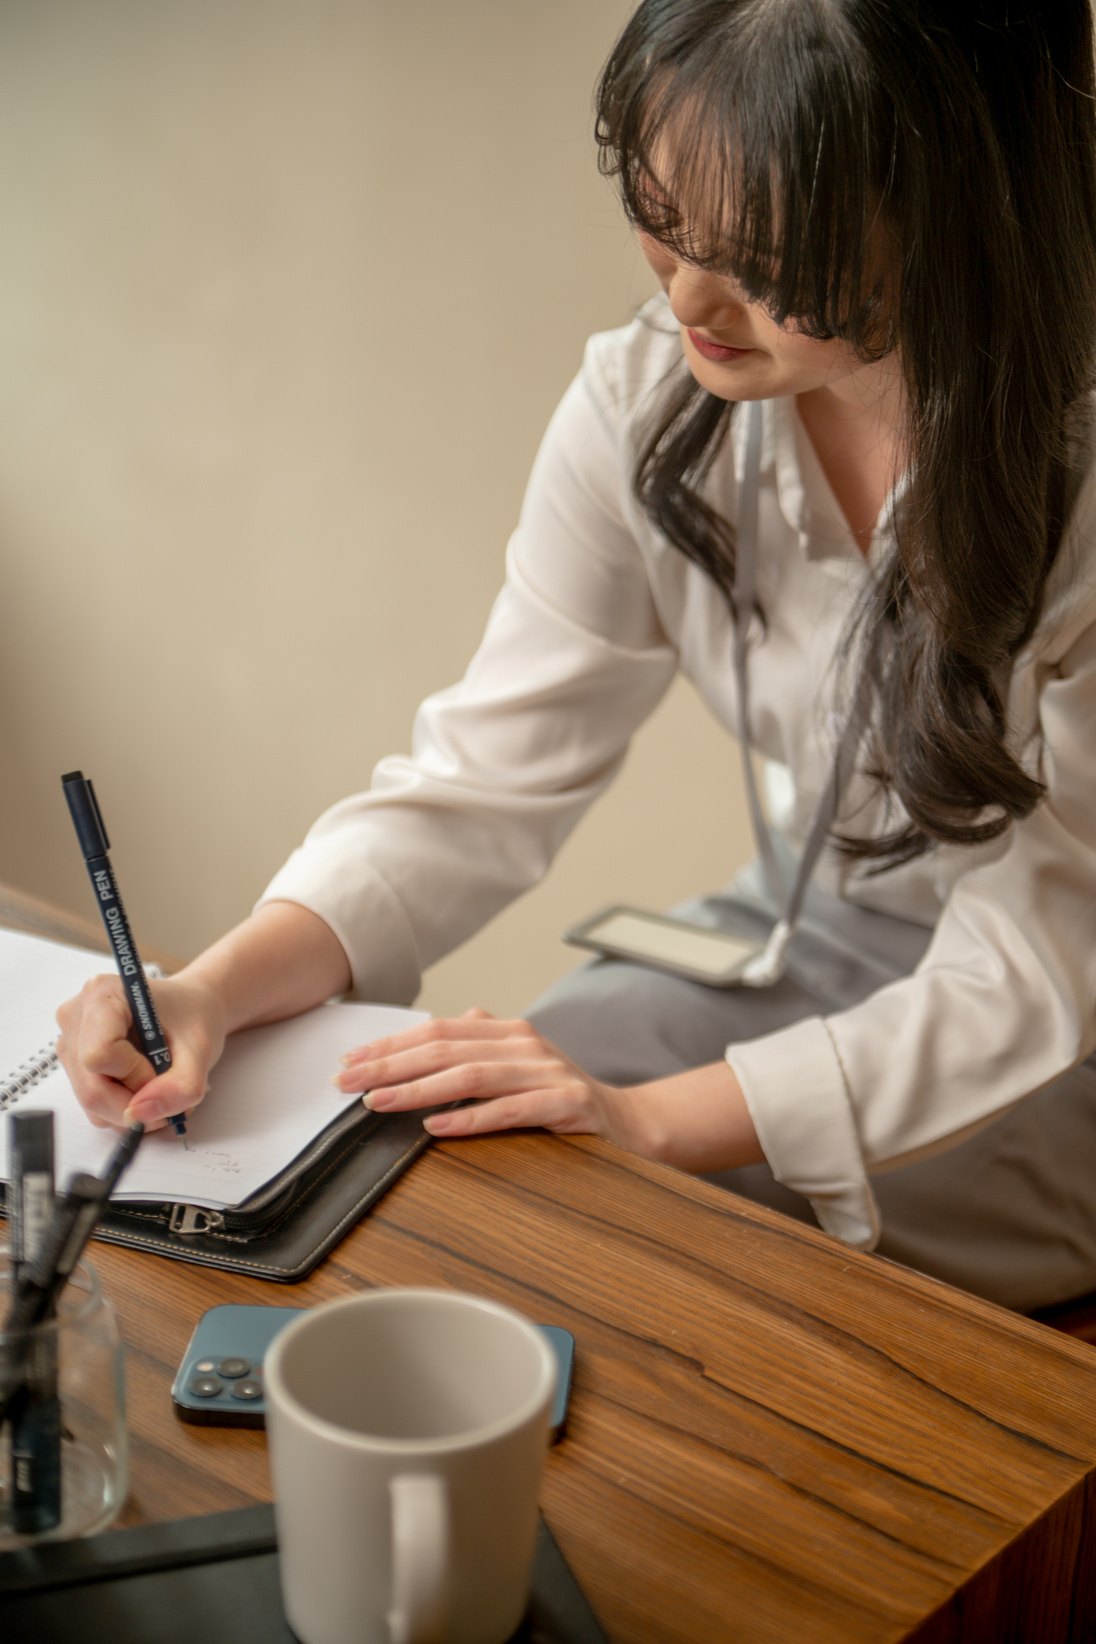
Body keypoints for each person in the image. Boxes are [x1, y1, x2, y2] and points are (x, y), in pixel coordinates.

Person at [57, 0, 1096, 1312]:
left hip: (1060, 1037)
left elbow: (1039, 966)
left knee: (625, 1218)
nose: (692, 300)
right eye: (662, 214)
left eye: (768, 257)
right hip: (797, 939)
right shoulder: (651, 400)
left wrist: (648, 1121)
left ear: (959, 208)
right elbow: (485, 778)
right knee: (437, 1123)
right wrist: (209, 989)